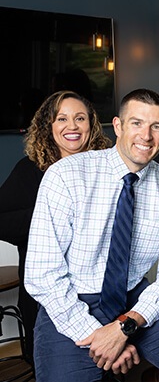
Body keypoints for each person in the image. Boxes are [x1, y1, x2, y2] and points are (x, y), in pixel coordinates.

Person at [24, 89, 159, 382]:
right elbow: (42, 274)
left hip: (135, 297)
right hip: (71, 298)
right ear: (118, 126)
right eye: (136, 123)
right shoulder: (65, 175)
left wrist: (127, 326)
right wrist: (100, 338)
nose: (146, 136)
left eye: (156, 127)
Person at [0, 90, 111, 362]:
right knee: (53, 364)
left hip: (102, 289)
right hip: (45, 294)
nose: (72, 126)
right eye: (61, 119)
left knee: (105, 362)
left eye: (80, 118)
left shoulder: (108, 167)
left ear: (91, 125)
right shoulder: (29, 169)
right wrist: (51, 216)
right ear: (48, 126)